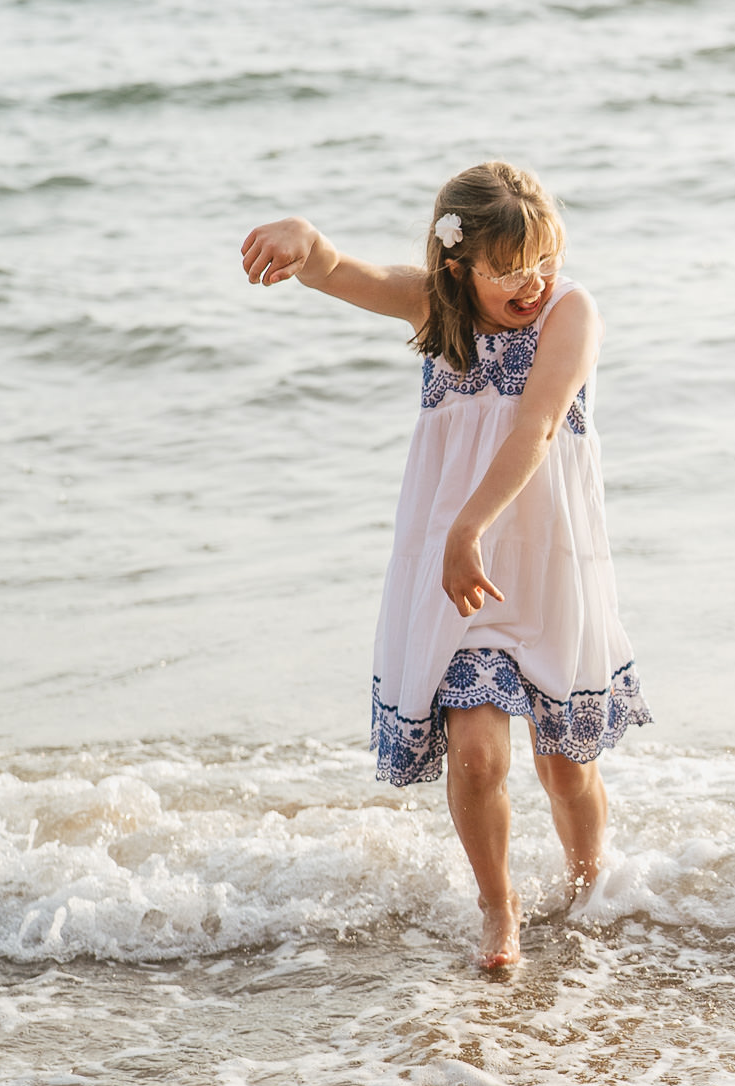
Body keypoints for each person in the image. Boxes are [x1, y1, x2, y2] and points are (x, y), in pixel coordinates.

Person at [240, 161, 651, 970]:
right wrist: (306, 241)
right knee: (477, 754)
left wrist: (471, 526)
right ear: (458, 268)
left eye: (543, 260)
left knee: (565, 770)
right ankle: (499, 906)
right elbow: (339, 271)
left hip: (542, 567)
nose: (532, 283)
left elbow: (535, 428)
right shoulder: (439, 306)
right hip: (455, 575)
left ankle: (587, 881)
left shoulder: (572, 312)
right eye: (508, 271)